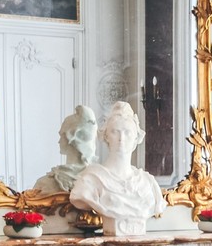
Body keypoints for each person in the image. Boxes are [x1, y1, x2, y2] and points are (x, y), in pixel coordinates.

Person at [67, 101, 165, 236]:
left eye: (127, 132)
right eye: (115, 132)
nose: (121, 138)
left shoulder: (147, 182)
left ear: (136, 137)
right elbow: (79, 197)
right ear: (106, 136)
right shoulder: (92, 179)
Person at [32, 104, 98, 193]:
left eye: (62, 135)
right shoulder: (99, 181)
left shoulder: (44, 183)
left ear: (70, 136)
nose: (59, 141)